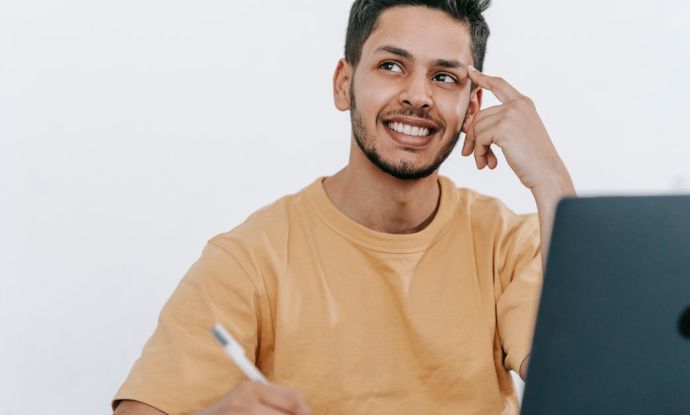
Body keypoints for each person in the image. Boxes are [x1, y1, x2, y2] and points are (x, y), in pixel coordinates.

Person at [112, 0, 575, 414]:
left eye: (444, 77)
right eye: (392, 66)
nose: (418, 95)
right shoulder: (249, 259)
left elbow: (590, 386)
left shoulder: (512, 246)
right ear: (343, 84)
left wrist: (551, 181)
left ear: (472, 106)